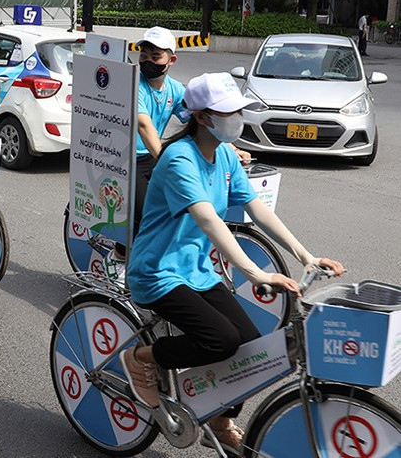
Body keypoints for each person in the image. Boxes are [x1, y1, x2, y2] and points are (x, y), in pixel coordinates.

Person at [118, 72, 344, 454]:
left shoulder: (223, 154)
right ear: (203, 117)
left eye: (239, 110)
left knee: (251, 346)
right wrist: (256, 273)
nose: (237, 118)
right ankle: (141, 359)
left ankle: (221, 422)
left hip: (197, 271)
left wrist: (306, 256)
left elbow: (256, 209)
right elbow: (208, 219)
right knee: (220, 340)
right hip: (158, 272)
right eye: (229, 112)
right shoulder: (178, 158)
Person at [106, 27, 250, 279]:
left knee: (175, 210)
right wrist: (168, 161)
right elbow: (144, 126)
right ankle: (119, 255)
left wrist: (231, 146)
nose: (148, 60)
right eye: (145, 54)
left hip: (153, 157)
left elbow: (200, 121)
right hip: (127, 158)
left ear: (171, 60)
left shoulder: (174, 90)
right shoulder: (133, 85)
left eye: (156, 56)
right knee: (145, 213)